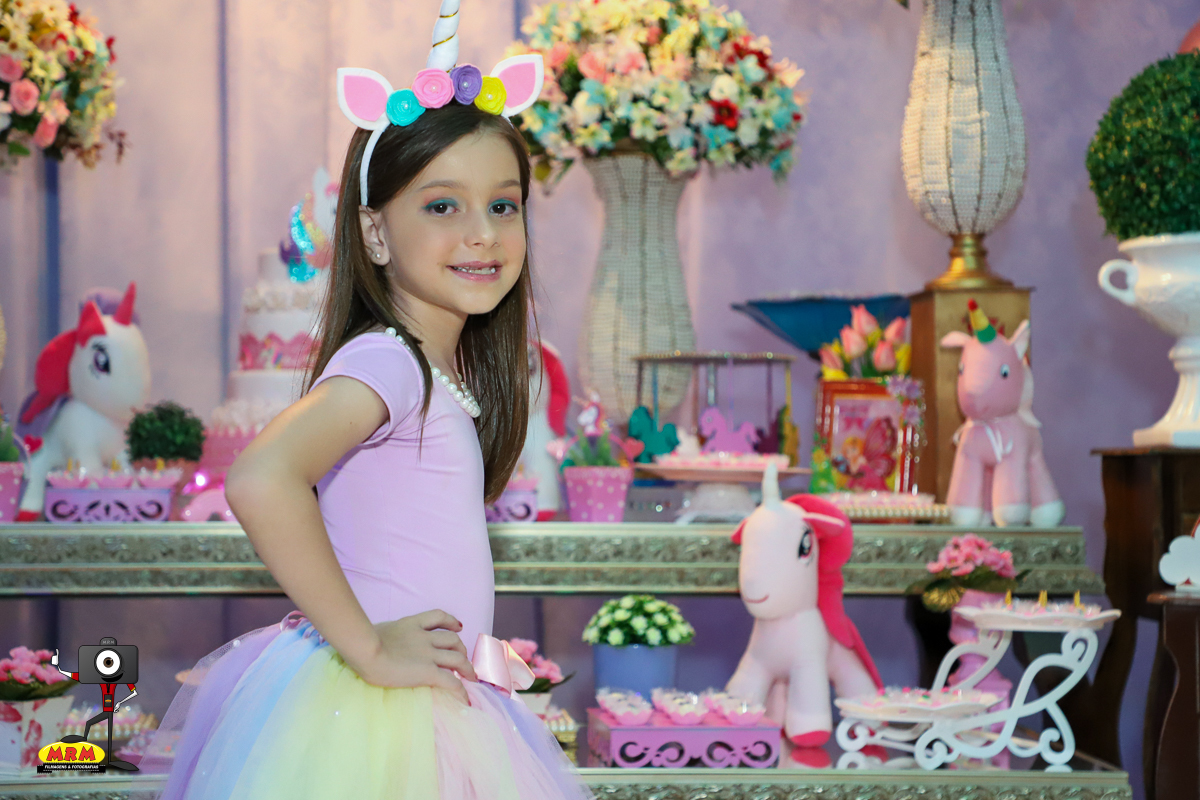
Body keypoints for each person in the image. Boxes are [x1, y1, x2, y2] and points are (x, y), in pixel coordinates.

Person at [140, 6, 590, 797]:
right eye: (442, 205)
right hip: (379, 721)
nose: (483, 233)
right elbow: (261, 477)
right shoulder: (391, 363)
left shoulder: (433, 372)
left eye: (503, 204)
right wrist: (372, 648)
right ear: (375, 234)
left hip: (426, 704)